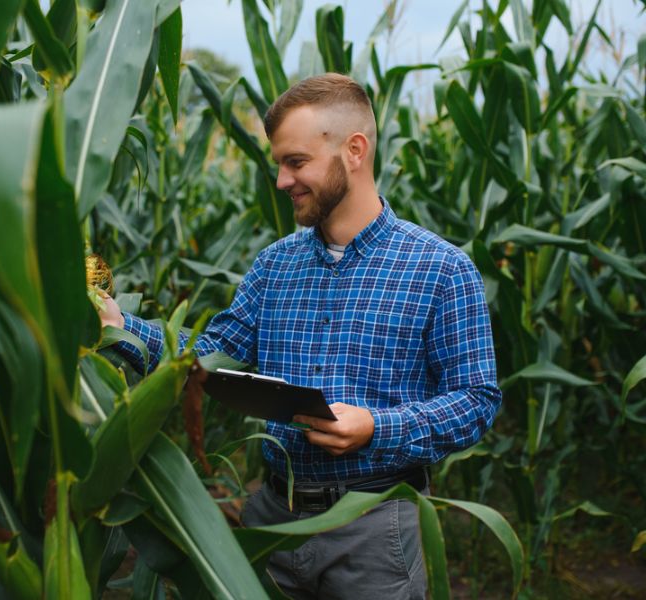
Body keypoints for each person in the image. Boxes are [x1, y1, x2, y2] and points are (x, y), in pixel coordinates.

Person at [100, 73, 501, 599]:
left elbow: (477, 401)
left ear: (354, 151)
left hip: (375, 529)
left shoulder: (441, 269)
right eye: (280, 165)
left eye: (296, 162)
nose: (283, 180)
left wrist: (378, 426)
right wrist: (119, 327)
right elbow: (206, 357)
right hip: (273, 519)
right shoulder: (275, 265)